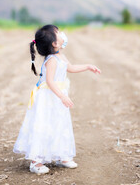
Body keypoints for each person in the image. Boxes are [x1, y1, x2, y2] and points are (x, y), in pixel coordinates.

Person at [13, 24, 101, 175]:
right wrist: (62, 96)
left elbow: (71, 68)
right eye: (58, 32)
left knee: (59, 123)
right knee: (45, 124)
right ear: (54, 43)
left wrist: (87, 66)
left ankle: (61, 156)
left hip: (57, 96)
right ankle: (36, 161)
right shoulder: (52, 60)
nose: (62, 34)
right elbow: (50, 81)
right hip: (49, 97)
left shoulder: (60, 56)